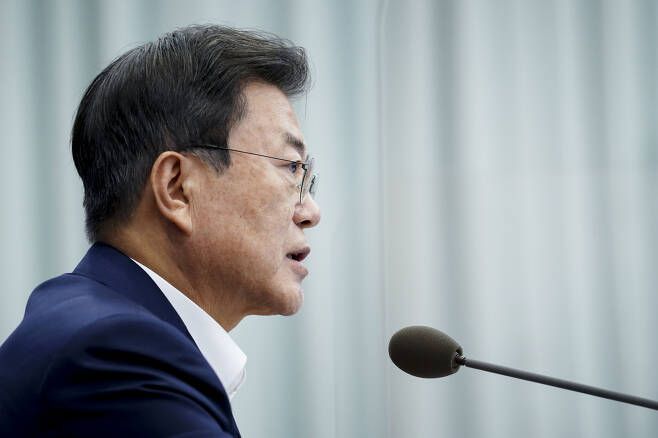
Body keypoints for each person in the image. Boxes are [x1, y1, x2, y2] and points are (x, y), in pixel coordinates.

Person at [0, 24, 320, 436]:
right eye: (291, 168)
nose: (311, 212)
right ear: (177, 188)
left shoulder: (96, 324)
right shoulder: (115, 353)